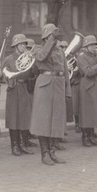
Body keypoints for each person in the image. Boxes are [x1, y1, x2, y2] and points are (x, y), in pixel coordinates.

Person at [29, 24, 71, 165]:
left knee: (56, 120)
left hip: (58, 85)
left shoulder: (60, 51)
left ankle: (52, 152)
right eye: (52, 35)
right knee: (43, 121)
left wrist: (68, 91)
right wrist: (51, 41)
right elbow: (41, 58)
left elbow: (65, 71)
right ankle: (44, 154)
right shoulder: (38, 49)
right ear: (46, 37)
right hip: (45, 84)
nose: (55, 38)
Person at [1, 33, 34, 156]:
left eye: (24, 44)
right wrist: (10, 81)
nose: (23, 46)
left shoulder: (28, 58)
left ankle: (23, 145)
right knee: (14, 118)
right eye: (20, 44)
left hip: (24, 89)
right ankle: (14, 146)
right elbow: (4, 74)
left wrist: (32, 61)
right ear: (15, 46)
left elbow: (32, 73)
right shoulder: (9, 59)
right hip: (14, 89)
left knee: (24, 118)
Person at [76, 35, 97, 147]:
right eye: (91, 45)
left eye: (94, 45)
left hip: (96, 86)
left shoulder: (94, 56)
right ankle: (85, 137)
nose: (94, 47)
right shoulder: (81, 57)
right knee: (87, 113)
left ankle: (91, 136)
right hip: (87, 86)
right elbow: (88, 72)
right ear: (86, 46)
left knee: (94, 112)